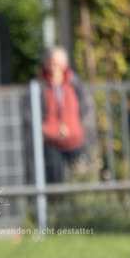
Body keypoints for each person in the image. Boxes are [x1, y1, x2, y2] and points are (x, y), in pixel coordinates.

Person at [38, 46, 88, 183]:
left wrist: (80, 126)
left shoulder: (74, 83)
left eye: (57, 62)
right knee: (54, 180)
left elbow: (86, 107)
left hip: (75, 139)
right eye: (51, 61)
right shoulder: (39, 85)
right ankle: (56, 204)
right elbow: (30, 111)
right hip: (50, 141)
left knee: (81, 178)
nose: (54, 66)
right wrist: (43, 127)